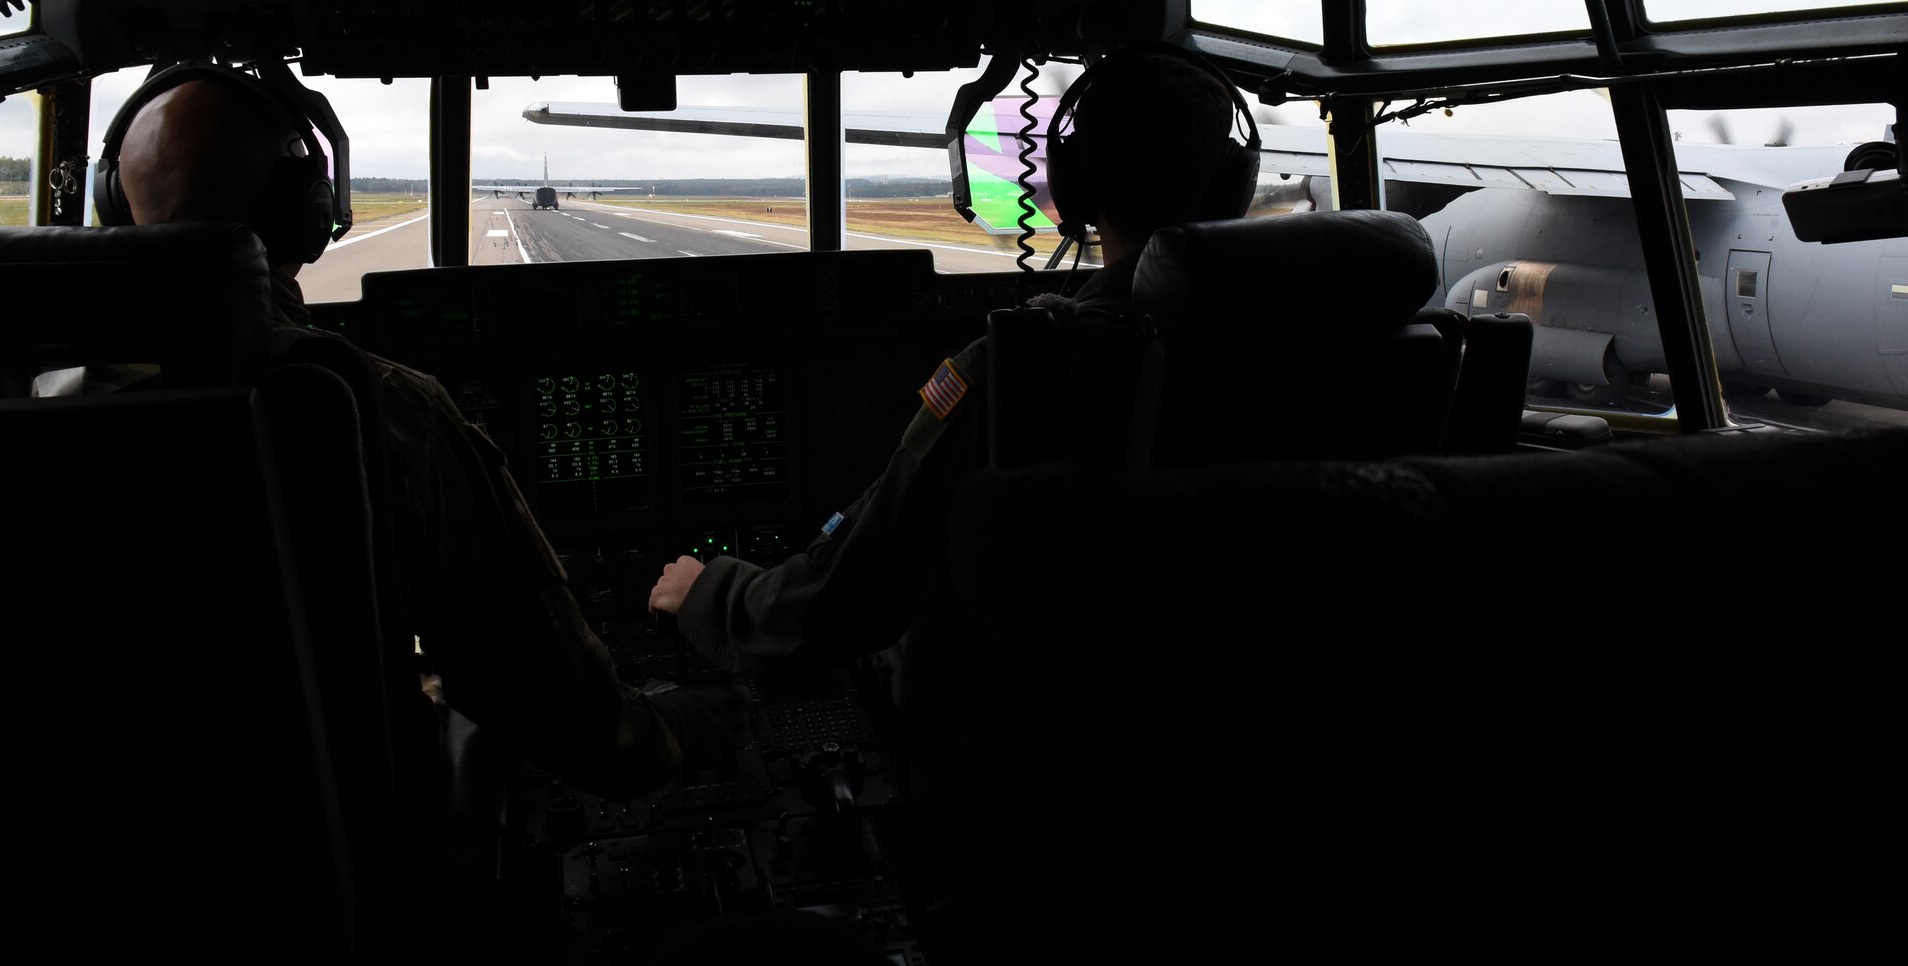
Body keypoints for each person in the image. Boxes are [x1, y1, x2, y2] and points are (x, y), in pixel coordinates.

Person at [100, 64, 736, 800]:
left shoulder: (46, 394)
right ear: (306, 208)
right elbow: (562, 714)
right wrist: (697, 720)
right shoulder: (372, 407)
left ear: (118, 208)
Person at [647, 44, 1254, 677]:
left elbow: (854, 594)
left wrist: (712, 594)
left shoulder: (1030, 366)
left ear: (1074, 185)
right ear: (1233, 186)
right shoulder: (1299, 337)